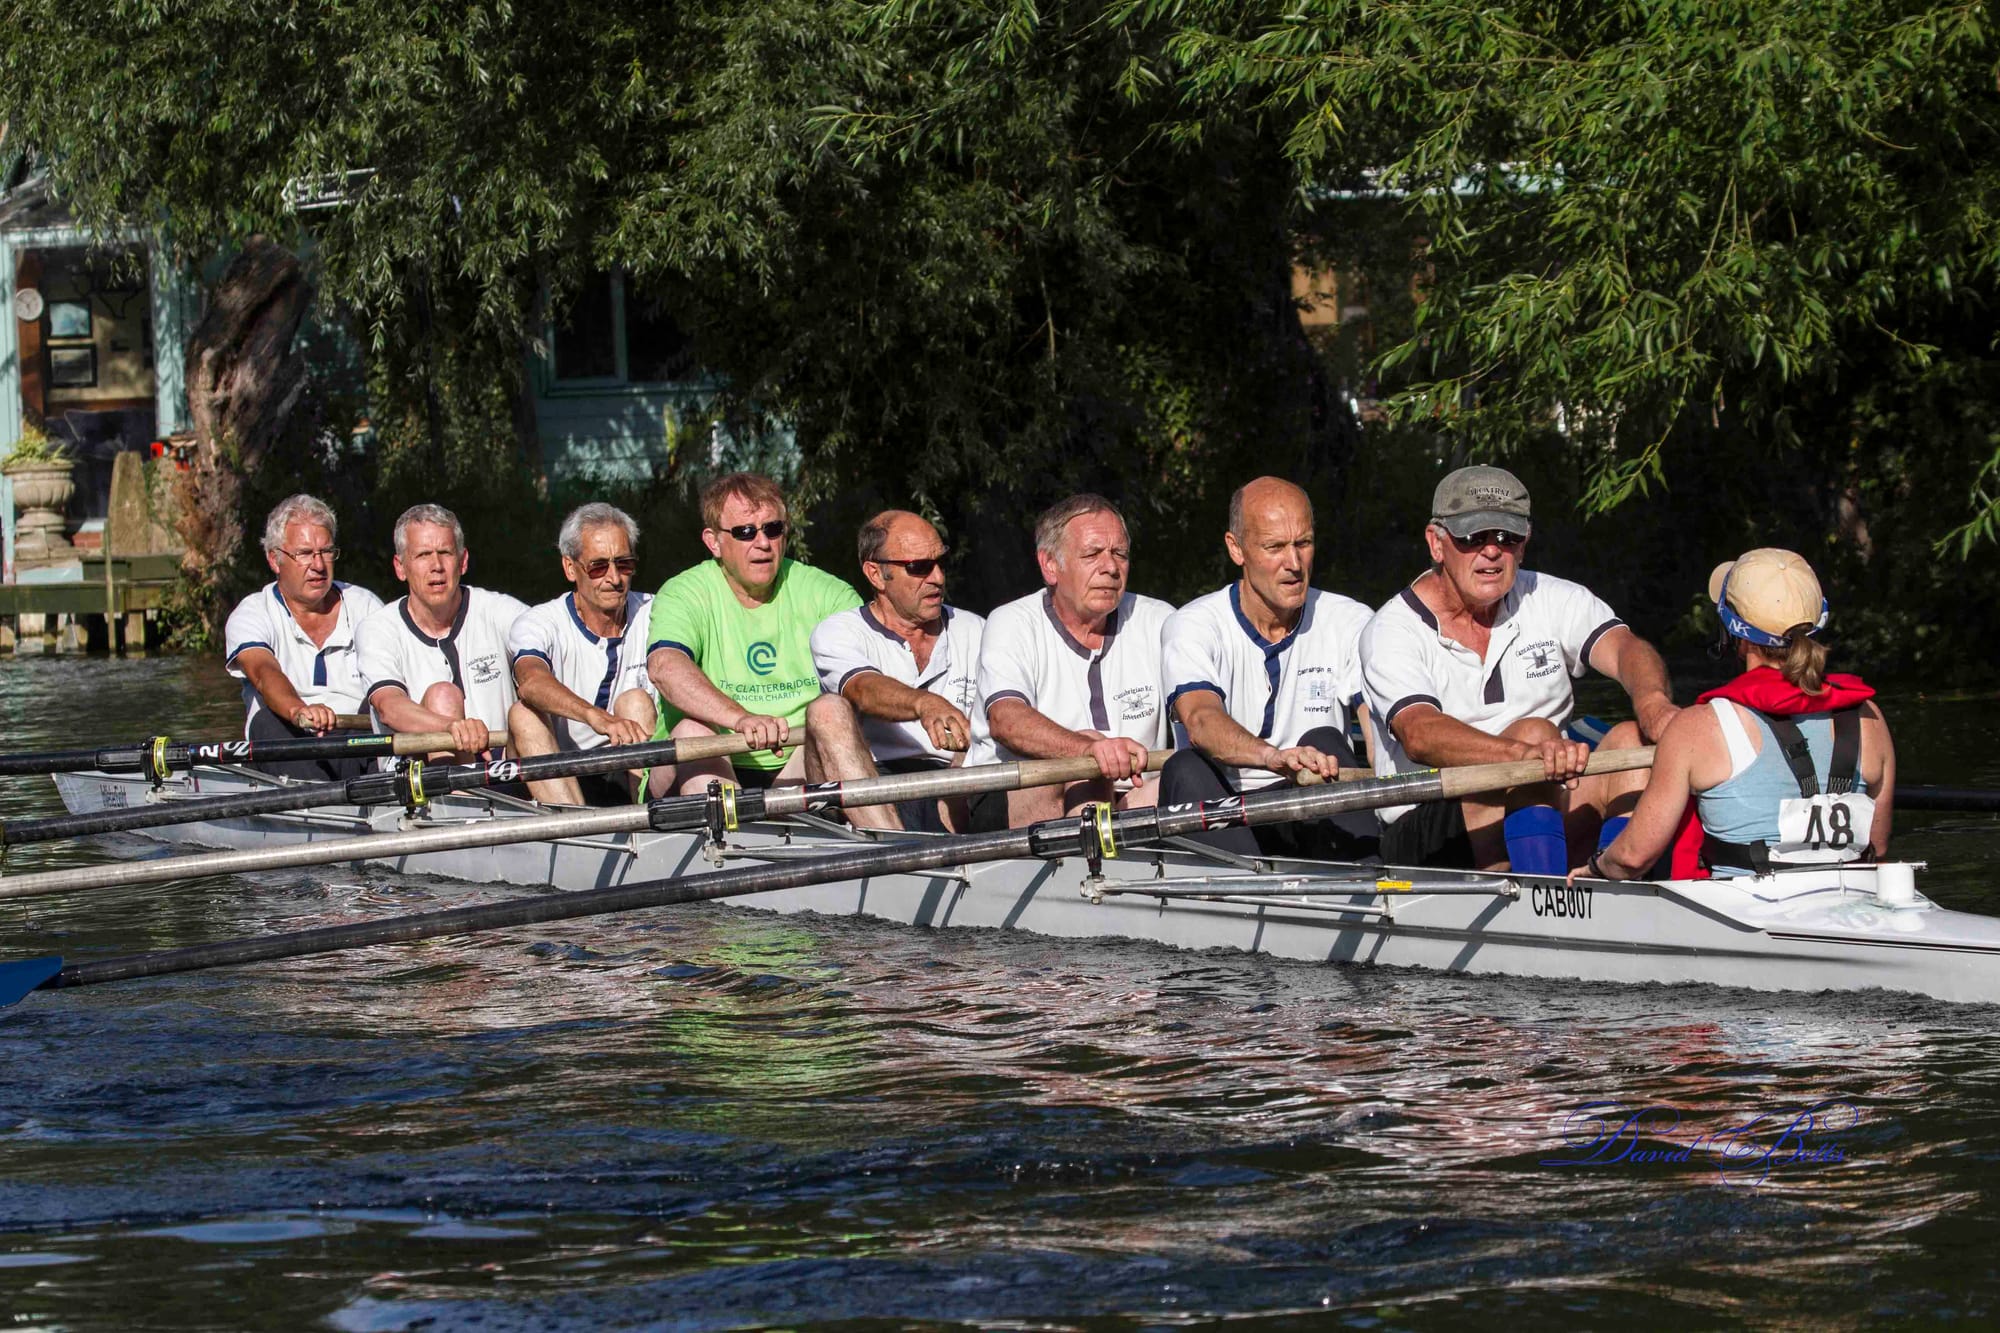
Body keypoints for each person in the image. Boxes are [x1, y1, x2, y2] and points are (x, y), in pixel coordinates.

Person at [1359, 465, 1677, 872]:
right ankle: (1537, 901)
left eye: (1506, 537)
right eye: (1473, 537)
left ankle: (1613, 884)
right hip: (1428, 824)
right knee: (1534, 731)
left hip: (1541, 794)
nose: (1492, 551)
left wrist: (1653, 703)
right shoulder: (1391, 629)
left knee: (1633, 741)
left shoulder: (1551, 597)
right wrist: (1525, 755)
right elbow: (1419, 733)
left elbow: (1627, 649)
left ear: (1523, 546)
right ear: (1436, 544)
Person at [1576, 548, 1894, 883]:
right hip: (1847, 900)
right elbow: (1879, 845)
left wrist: (1596, 868)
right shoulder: (1869, 717)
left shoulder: (1698, 727)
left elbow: (1632, 857)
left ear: (1736, 634)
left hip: (1738, 915)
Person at [643, 472, 895, 828]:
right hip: (708, 764)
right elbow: (665, 668)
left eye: (773, 529)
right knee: (692, 732)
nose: (762, 543)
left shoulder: (827, 592)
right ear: (713, 542)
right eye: (745, 532)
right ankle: (733, 857)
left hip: (797, 763)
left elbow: (865, 681)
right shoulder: (684, 592)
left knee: (832, 712)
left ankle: (897, 854)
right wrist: (741, 719)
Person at [1159, 477, 1379, 859]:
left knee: (1325, 739)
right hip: (1224, 804)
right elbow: (1200, 720)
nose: (1294, 564)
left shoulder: (1351, 620)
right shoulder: (1193, 624)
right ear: (1236, 549)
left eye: (1303, 544)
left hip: (1307, 803)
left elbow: (1376, 729)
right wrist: (1272, 757)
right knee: (1184, 767)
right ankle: (1237, 901)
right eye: (1275, 547)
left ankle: (1370, 887)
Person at [978, 493, 1173, 825]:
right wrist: (1089, 749)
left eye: (1119, 554)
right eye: (1092, 554)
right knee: (1087, 770)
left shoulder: (1159, 620)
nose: (1110, 568)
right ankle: (1083, 874)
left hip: (1130, 796)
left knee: (1184, 780)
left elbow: (1197, 709)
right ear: (1050, 566)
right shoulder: (1011, 622)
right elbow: (1005, 719)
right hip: (1020, 796)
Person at [810, 509, 990, 832]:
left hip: (954, 784)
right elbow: (862, 689)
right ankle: (894, 852)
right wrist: (925, 704)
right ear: (876, 574)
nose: (937, 578)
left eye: (941, 563)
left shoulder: (977, 629)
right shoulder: (837, 632)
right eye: (919, 567)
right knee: (825, 711)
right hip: (869, 782)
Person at [505, 503, 659, 806]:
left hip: (625, 770)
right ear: (570, 568)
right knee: (522, 714)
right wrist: (594, 717)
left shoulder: (657, 612)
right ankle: (579, 836)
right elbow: (531, 682)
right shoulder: (540, 622)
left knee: (635, 702)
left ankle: (650, 826)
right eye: (599, 566)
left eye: (624, 564)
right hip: (556, 773)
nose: (614, 578)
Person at [222, 494, 385, 780]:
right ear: (275, 559)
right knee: (267, 719)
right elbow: (263, 672)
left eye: (325, 552)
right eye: (305, 553)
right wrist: (299, 710)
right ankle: (319, 806)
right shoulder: (252, 613)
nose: (319, 565)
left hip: (358, 742)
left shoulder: (365, 606)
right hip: (288, 739)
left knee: (382, 704)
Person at [356, 503, 527, 759]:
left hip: (501, 769)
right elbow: (389, 706)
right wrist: (451, 728)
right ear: (400, 567)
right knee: (443, 696)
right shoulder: (377, 628)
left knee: (528, 710)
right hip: (417, 784)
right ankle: (462, 799)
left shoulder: (499, 610)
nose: (436, 565)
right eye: (423, 555)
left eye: (445, 552)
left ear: (463, 561)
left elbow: (550, 640)